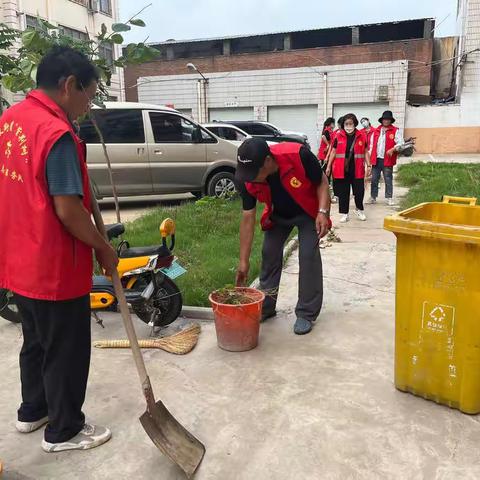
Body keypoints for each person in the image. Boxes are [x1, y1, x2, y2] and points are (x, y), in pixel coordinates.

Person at [0, 47, 119, 453]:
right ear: (69, 86)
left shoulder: (11, 120)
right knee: (66, 349)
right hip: (53, 265)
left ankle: (33, 411)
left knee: (35, 341)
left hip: (18, 260)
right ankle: (64, 429)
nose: (88, 105)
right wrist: (103, 248)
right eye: (89, 94)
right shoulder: (57, 134)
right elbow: (68, 210)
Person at [235, 138, 331, 335]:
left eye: (255, 173)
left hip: (307, 212)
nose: (250, 178)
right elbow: (247, 218)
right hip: (278, 215)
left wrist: (323, 212)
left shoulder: (299, 155)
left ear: (269, 161)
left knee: (307, 255)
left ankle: (306, 313)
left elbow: (322, 181)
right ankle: (267, 306)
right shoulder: (247, 178)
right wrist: (243, 261)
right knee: (269, 252)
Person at [326, 113, 371, 223]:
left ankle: (359, 210)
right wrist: (328, 166)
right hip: (342, 169)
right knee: (343, 193)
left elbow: (365, 151)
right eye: (346, 123)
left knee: (359, 191)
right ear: (343, 124)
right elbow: (333, 151)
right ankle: (344, 214)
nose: (348, 125)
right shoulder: (338, 135)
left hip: (357, 169)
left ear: (355, 124)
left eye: (350, 123)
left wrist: (369, 165)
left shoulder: (361, 135)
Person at [367, 110, 402, 206]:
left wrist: (393, 149)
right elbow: (371, 146)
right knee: (374, 179)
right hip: (376, 159)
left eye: (388, 119)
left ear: (391, 121)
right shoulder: (376, 131)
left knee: (388, 179)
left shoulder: (395, 130)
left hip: (387, 159)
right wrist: (369, 159)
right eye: (384, 119)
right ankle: (373, 197)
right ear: (382, 120)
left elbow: (400, 143)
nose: (386, 121)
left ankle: (389, 198)